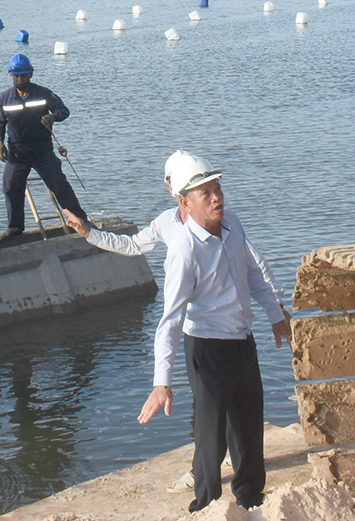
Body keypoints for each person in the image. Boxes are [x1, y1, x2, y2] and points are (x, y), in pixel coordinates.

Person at [137, 151, 290, 514]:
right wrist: (163, 381)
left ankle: (251, 501)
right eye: (205, 193)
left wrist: (274, 313)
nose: (217, 197)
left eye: (217, 188)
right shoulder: (184, 251)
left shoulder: (233, 223)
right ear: (184, 202)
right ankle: (206, 507)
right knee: (210, 436)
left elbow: (252, 271)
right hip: (205, 349)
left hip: (242, 342)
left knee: (250, 428)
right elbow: (170, 320)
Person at [0, 54, 87, 239]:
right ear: (10, 76)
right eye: (16, 76)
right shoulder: (4, 98)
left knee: (59, 184)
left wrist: (53, 117)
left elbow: (63, 110)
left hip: (42, 151)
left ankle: (81, 220)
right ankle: (15, 228)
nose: (20, 79)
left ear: (31, 74)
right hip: (17, 152)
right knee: (10, 186)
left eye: (24, 75)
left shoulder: (44, 94)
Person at [62, 153, 188, 254]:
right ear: (170, 188)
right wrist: (88, 232)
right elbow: (132, 245)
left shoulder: (207, 219)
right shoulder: (166, 222)